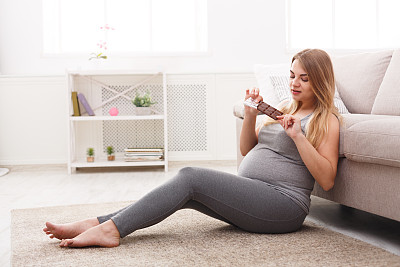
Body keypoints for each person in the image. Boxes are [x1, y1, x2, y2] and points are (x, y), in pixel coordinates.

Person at [43, 48, 340, 248]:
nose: (295, 83)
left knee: (189, 176)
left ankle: (110, 231)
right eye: (291, 75)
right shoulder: (285, 108)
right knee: (183, 193)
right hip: (254, 191)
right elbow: (248, 150)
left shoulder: (326, 119)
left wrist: (299, 137)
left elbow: (326, 179)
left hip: (284, 207)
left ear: (321, 81)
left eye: (304, 78)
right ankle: (97, 223)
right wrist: (251, 115)